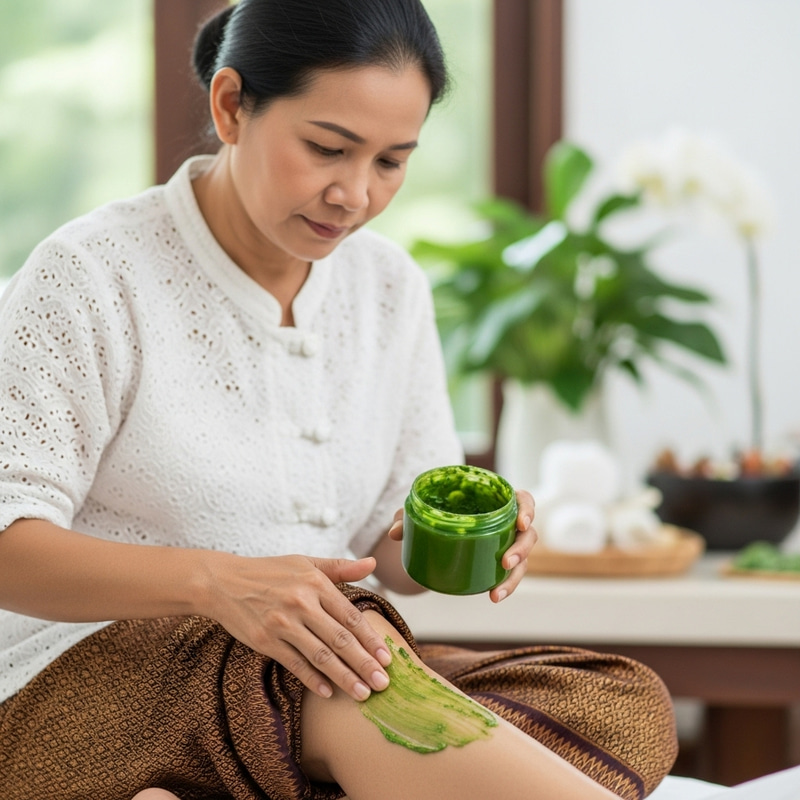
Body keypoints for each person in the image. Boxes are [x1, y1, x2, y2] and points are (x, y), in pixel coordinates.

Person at [0, 1, 677, 799]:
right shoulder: (89, 274)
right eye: (328, 148)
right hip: (75, 690)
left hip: (311, 676)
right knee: (347, 682)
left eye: (392, 162)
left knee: (619, 701)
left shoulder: (389, 289)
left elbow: (388, 555)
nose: (354, 193)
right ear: (231, 106)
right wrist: (219, 584)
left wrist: (461, 541)